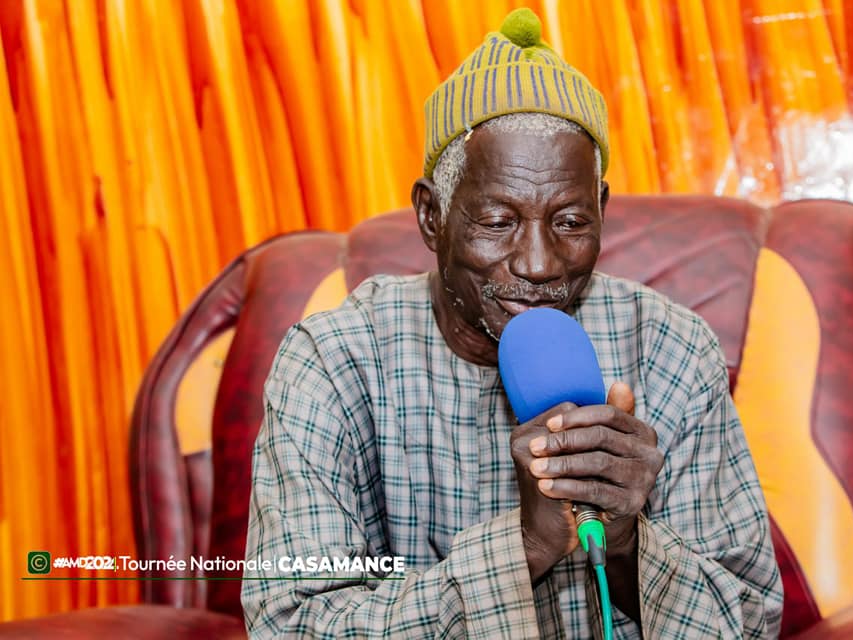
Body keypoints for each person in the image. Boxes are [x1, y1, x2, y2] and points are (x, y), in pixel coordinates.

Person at [243, 8, 783, 638]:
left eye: (571, 222)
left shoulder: (670, 347)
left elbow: (752, 620)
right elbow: (292, 623)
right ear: (431, 217)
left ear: (603, 212)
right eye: (497, 222)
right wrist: (525, 547)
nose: (537, 263)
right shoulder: (335, 361)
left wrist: (627, 544)